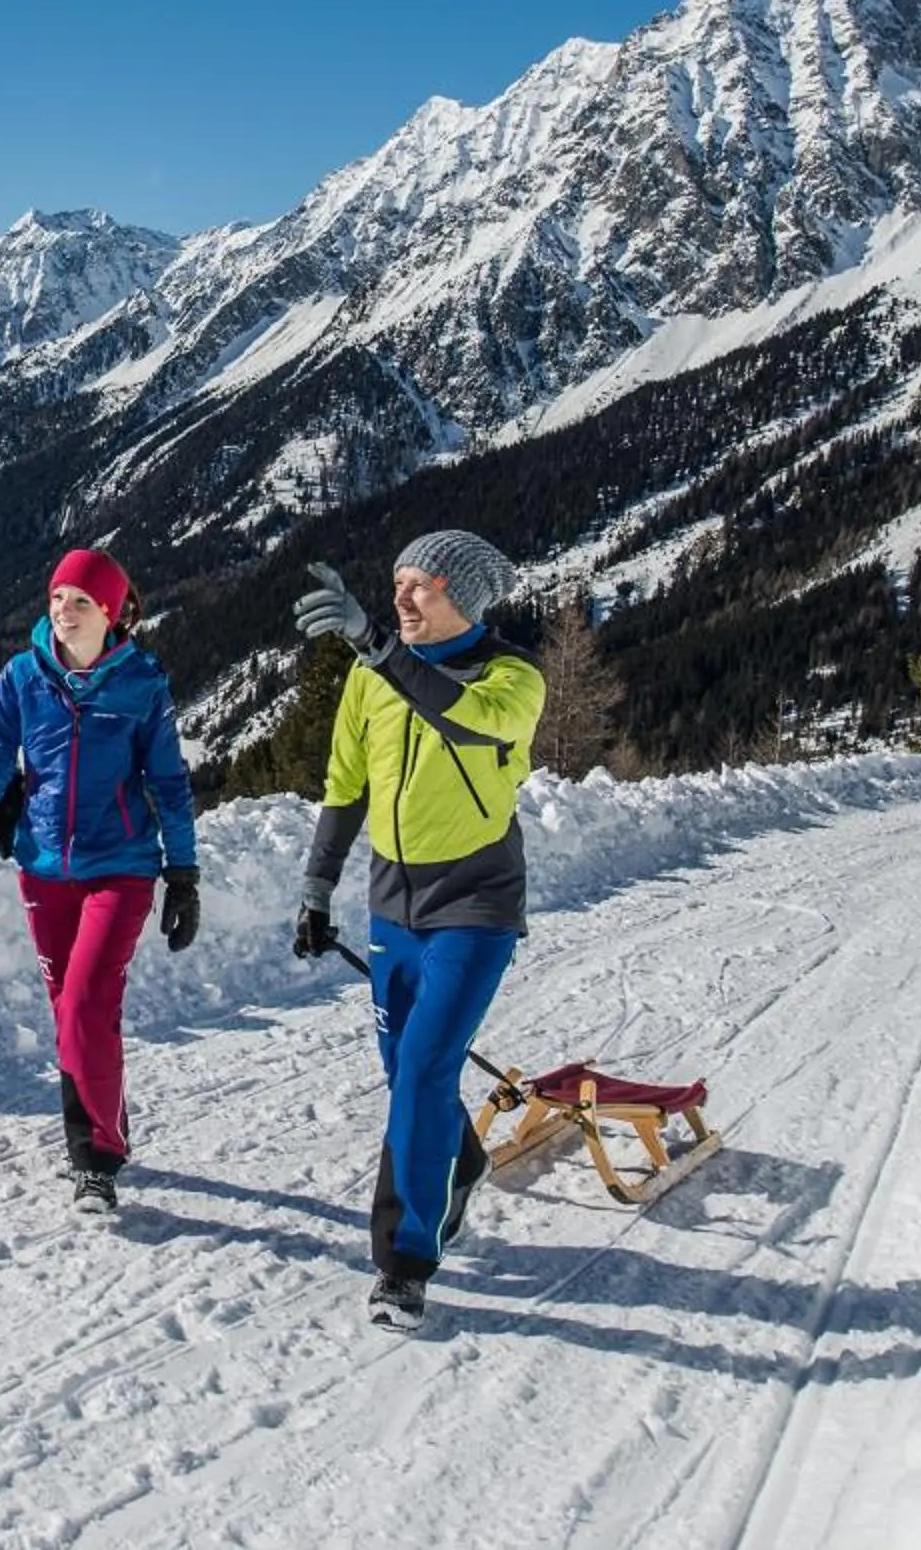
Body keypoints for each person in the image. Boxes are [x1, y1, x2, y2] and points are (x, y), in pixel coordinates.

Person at [290, 529, 544, 1333]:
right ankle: (459, 1162)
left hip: (476, 903)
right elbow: (346, 783)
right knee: (407, 1071)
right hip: (392, 903)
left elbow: (463, 719)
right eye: (396, 583)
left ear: (463, 599)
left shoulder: (512, 679)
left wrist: (373, 647)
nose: (401, 600)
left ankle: (403, 1265)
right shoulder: (371, 683)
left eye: (422, 587)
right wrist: (317, 886)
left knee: (427, 1067)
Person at [0, 548, 200, 1217]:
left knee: (83, 1003)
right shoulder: (24, 678)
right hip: (43, 868)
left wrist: (184, 871)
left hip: (122, 868)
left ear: (111, 612)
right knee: (72, 1013)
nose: (64, 612)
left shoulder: (141, 683)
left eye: (81, 601)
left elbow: (168, 784)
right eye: (57, 598)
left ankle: (95, 1160)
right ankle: (104, 1122)